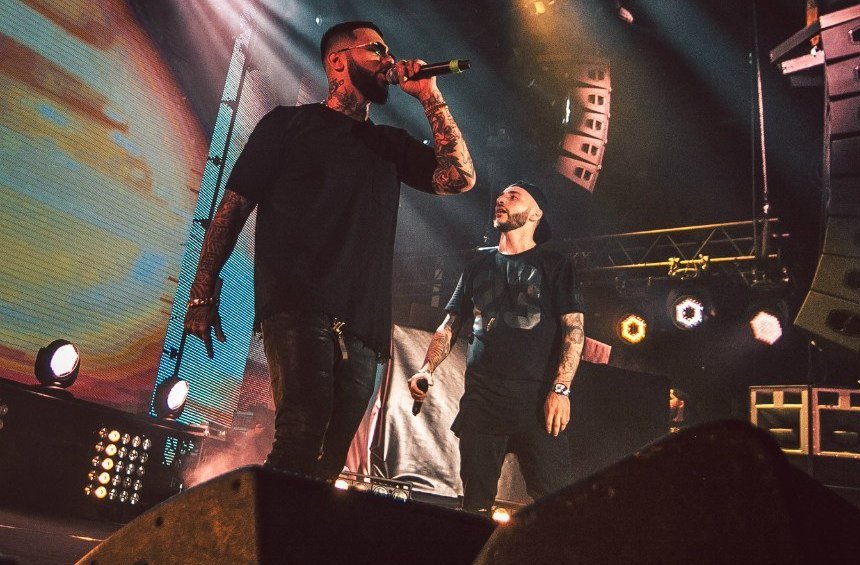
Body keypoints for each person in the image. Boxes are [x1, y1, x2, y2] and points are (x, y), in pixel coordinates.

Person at [183, 20, 475, 480]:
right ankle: (263, 523)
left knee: (330, 458)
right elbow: (233, 208)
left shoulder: (389, 145)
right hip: (297, 304)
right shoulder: (287, 124)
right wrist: (202, 291)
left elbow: (460, 178)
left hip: (363, 322)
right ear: (338, 60)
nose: (388, 59)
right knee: (302, 431)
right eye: (376, 48)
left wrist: (429, 96)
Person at [409, 181, 585, 515]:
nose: (501, 199)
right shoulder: (478, 263)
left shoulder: (555, 265)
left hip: (536, 403)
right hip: (483, 401)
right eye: (501, 195)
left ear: (535, 214)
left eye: (513, 196)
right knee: (474, 504)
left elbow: (574, 331)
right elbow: (450, 324)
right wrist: (426, 369)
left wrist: (561, 389)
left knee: (556, 505)